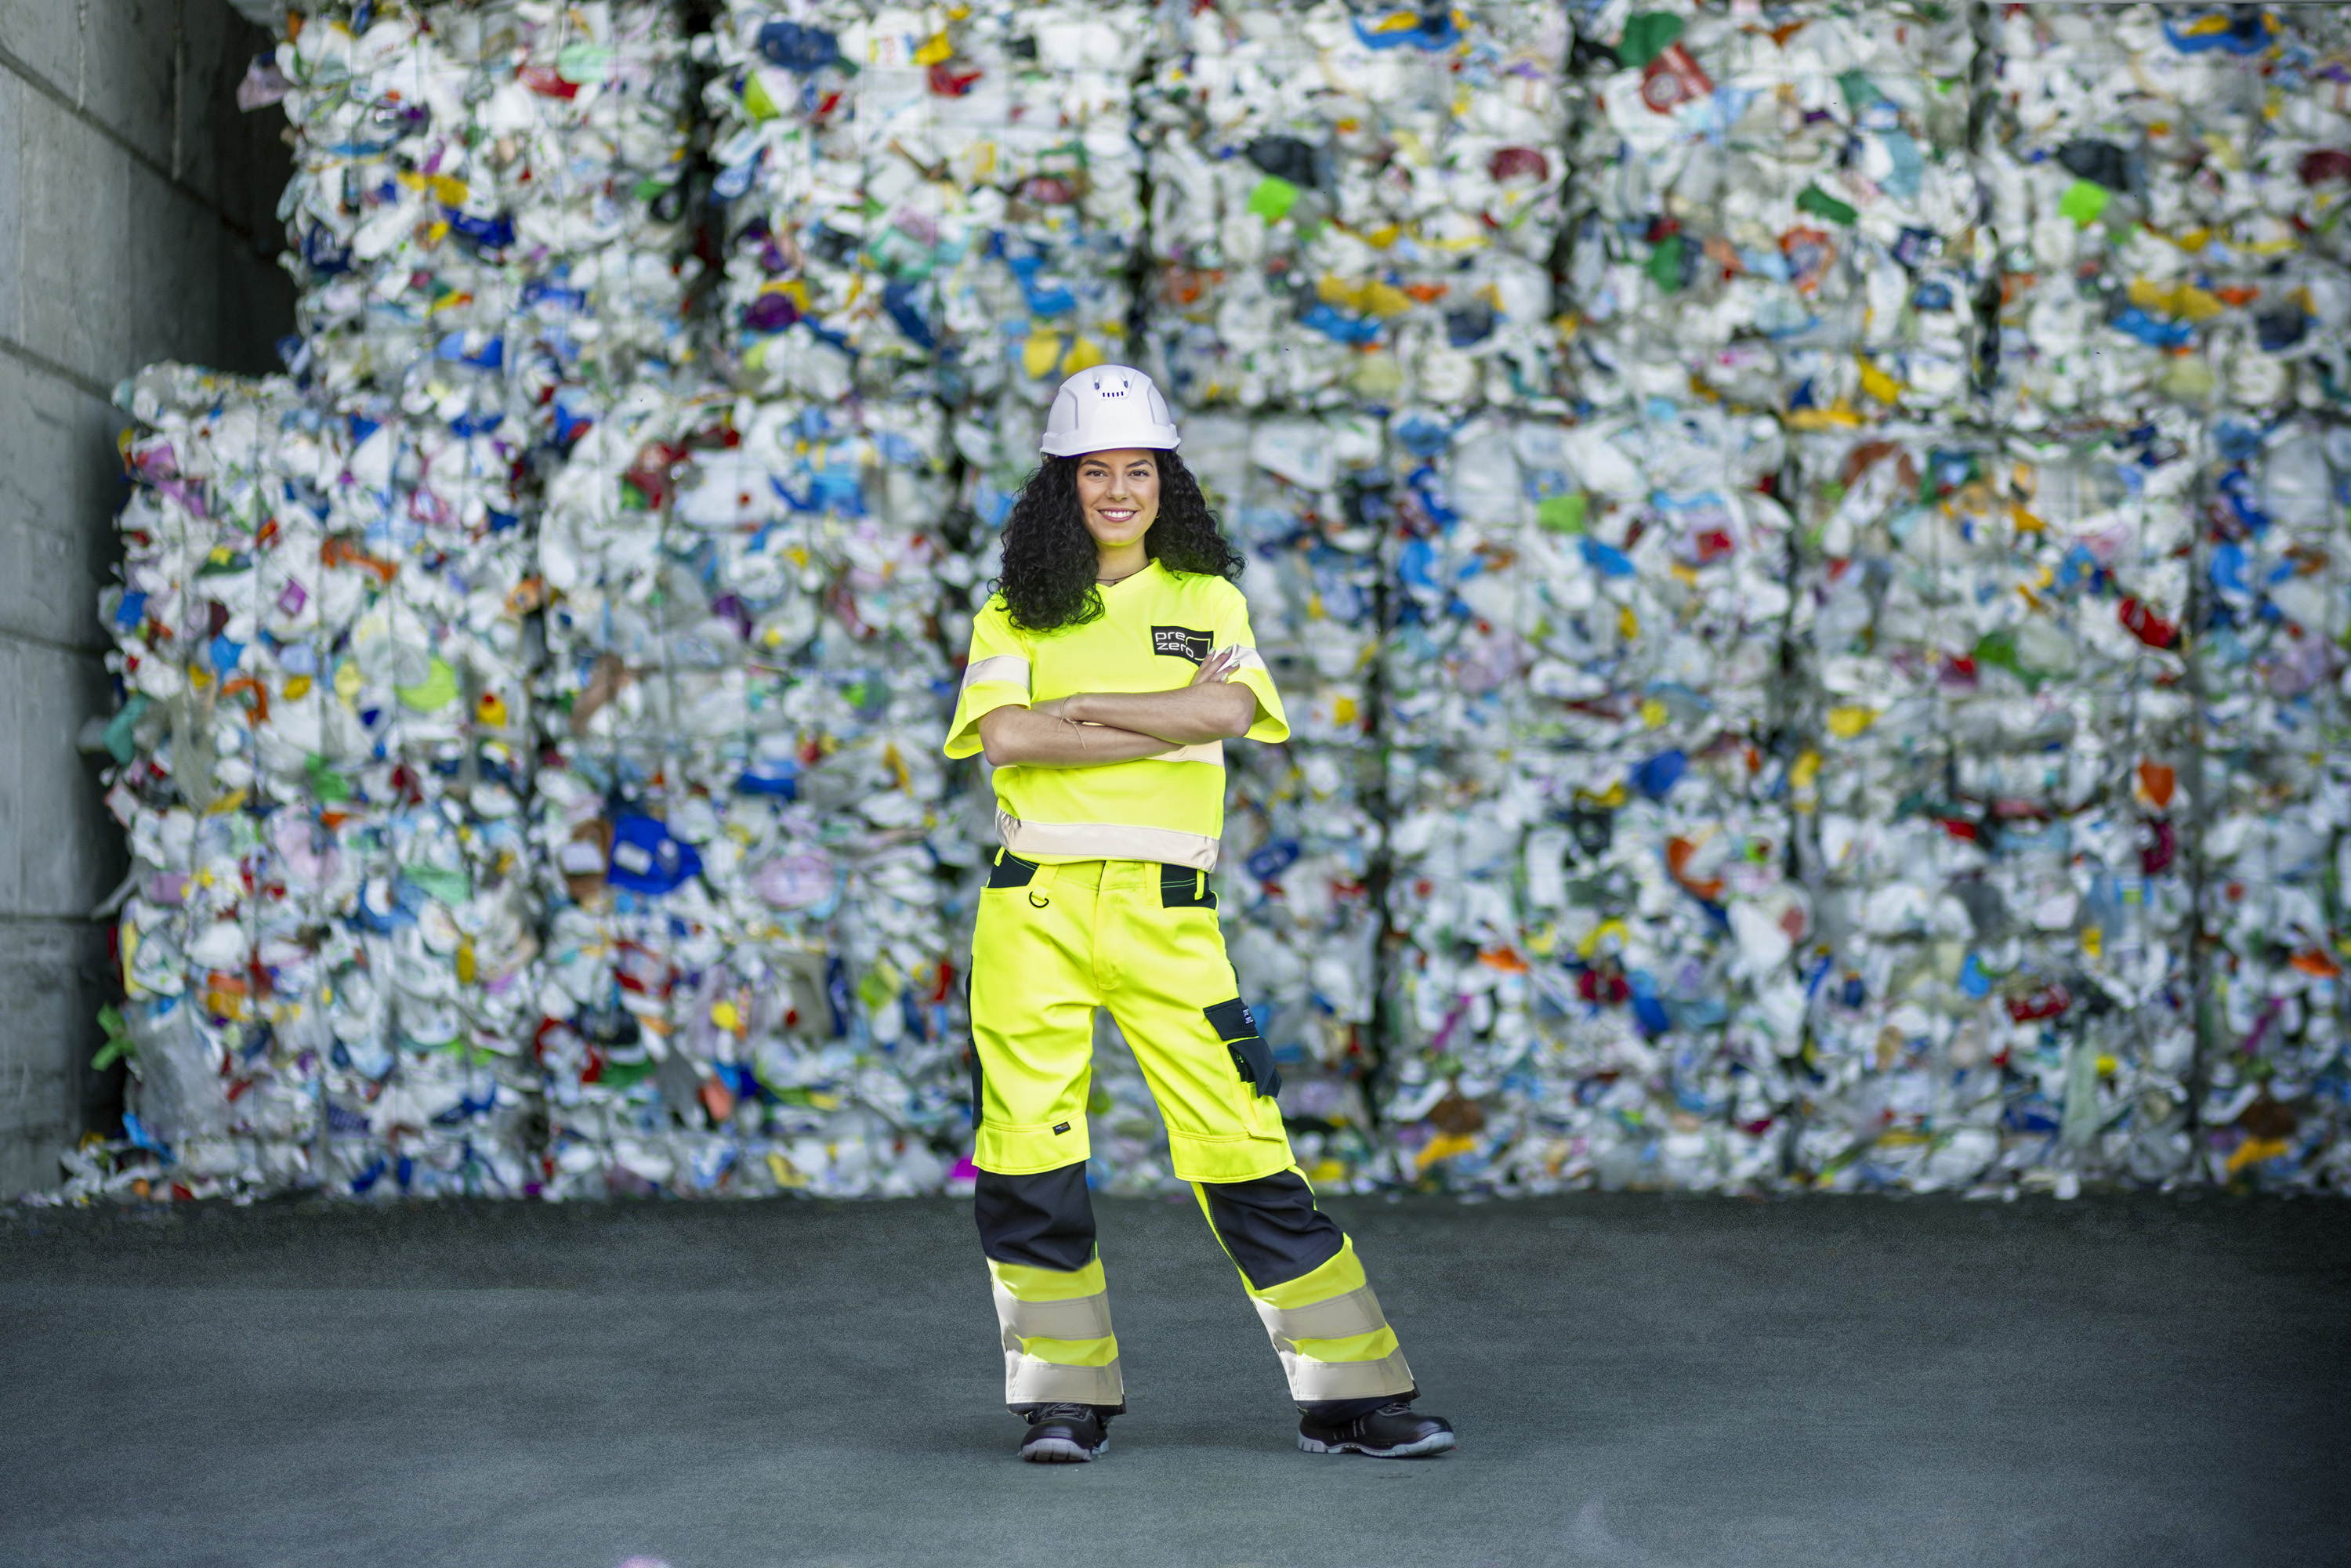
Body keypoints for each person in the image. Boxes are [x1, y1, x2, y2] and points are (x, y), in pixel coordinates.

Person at [943, 365, 1455, 1464]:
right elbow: (1008, 740)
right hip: (1030, 910)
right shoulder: (1009, 608)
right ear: (1062, 487)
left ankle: (1350, 1398)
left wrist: (1091, 705)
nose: (1118, 489)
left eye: (1138, 469)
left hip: (1167, 912)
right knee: (1028, 1155)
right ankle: (1062, 1402)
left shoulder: (1208, 599)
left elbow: (1231, 708)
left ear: (1164, 482)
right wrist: (1164, 724)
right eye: (1096, 471)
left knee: (1242, 1141)